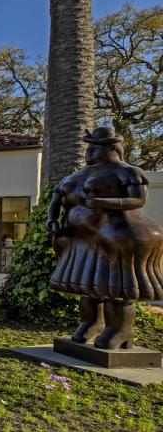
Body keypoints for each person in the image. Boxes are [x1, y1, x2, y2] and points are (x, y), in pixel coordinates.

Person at [47, 127, 163, 349]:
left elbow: (138, 200)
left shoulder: (128, 171)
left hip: (117, 237)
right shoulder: (74, 176)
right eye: (88, 147)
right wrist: (52, 221)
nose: (88, 151)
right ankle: (91, 324)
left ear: (112, 148)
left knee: (117, 289)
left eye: (94, 147)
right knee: (88, 287)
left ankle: (121, 330)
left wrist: (105, 203)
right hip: (82, 239)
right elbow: (56, 203)